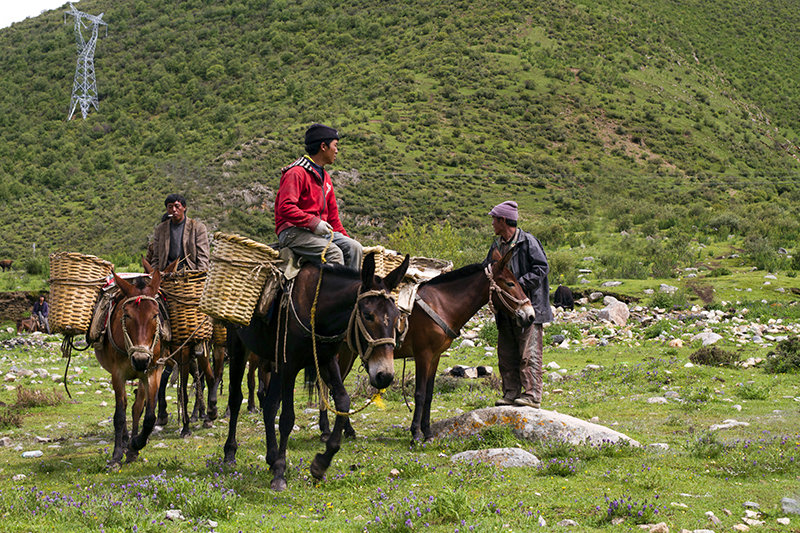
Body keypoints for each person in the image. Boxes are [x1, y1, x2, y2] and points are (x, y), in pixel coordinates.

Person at [485, 201, 552, 408]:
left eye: (494, 219)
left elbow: (542, 268)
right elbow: (489, 269)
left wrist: (517, 285)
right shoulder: (496, 246)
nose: (492, 224)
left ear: (503, 220)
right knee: (506, 353)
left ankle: (532, 395)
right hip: (506, 309)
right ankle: (511, 393)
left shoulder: (528, 242)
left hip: (528, 308)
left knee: (528, 353)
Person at [274, 123, 363, 270]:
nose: (337, 151)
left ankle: (351, 292)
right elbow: (285, 207)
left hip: (318, 234)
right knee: (333, 253)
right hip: (293, 232)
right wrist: (313, 223)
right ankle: (333, 293)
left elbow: (333, 218)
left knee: (355, 248)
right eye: (335, 146)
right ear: (323, 146)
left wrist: (346, 239)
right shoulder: (296, 173)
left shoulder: (325, 177)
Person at [147, 194, 210, 272]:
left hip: (190, 273)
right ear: (167, 209)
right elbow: (156, 257)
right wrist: (154, 275)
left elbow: (203, 256)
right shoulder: (160, 229)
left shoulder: (197, 228)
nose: (174, 210)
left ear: (184, 207)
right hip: (166, 273)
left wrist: (200, 274)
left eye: (177, 206)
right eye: (170, 207)